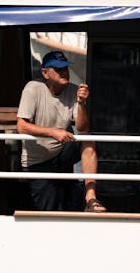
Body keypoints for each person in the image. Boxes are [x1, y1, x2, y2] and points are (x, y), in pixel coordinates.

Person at [16, 49, 105, 212]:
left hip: (61, 156)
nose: (64, 72)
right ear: (45, 73)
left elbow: (82, 128)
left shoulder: (73, 90)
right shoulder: (33, 88)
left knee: (88, 139)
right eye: (58, 69)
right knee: (49, 213)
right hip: (38, 163)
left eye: (65, 68)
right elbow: (21, 126)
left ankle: (91, 198)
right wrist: (53, 132)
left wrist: (81, 103)